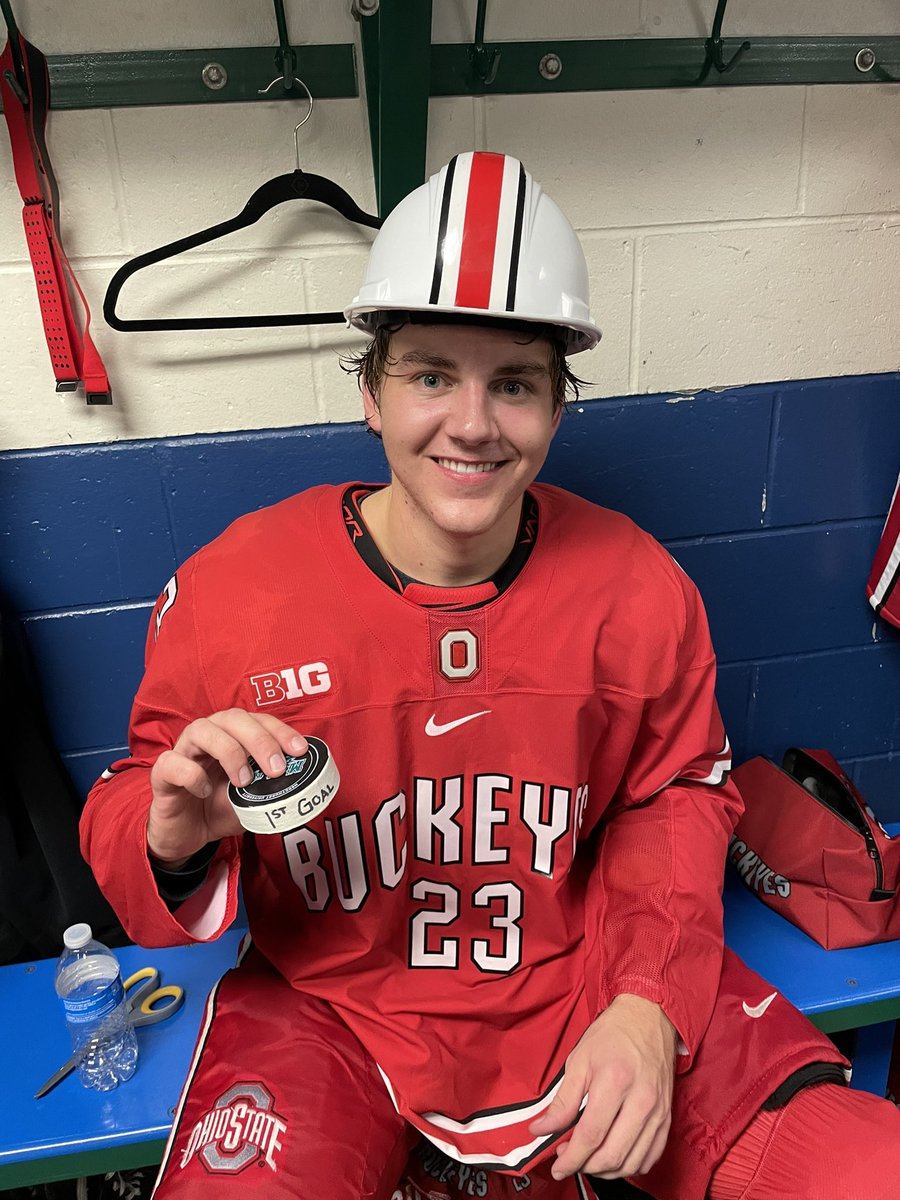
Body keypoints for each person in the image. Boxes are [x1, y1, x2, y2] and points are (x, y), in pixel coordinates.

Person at [81, 152, 900, 1200]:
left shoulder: (639, 587)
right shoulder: (230, 589)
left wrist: (648, 1002)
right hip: (331, 1002)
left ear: (557, 407)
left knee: (864, 1171)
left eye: (513, 383)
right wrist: (173, 840)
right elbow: (135, 805)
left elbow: (675, 798)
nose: (472, 423)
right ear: (370, 393)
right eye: (430, 375)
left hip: (579, 978)